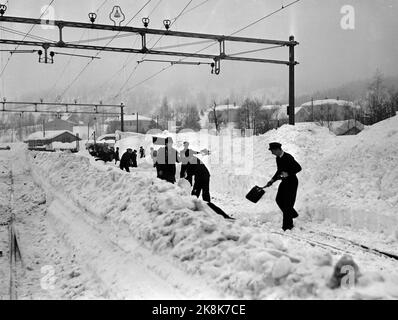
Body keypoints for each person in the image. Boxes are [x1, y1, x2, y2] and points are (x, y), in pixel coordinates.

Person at [265, 142, 302, 231]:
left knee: (288, 204)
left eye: (272, 151)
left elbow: (298, 168)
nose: (272, 153)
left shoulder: (288, 157)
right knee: (279, 199)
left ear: (277, 150)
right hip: (284, 182)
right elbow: (279, 171)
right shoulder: (278, 158)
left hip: (292, 182)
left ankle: (288, 226)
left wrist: (288, 173)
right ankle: (292, 214)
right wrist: (272, 180)